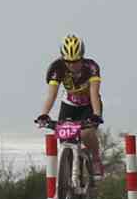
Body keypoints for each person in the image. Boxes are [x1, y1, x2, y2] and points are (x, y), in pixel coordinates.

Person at [37, 34, 105, 186]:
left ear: (82, 57)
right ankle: (65, 181)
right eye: (68, 61)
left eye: (76, 61)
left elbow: (94, 93)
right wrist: (44, 114)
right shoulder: (56, 68)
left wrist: (96, 115)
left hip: (89, 105)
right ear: (63, 59)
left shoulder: (91, 67)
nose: (72, 65)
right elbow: (51, 95)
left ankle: (95, 159)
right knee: (64, 138)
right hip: (69, 105)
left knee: (86, 133)